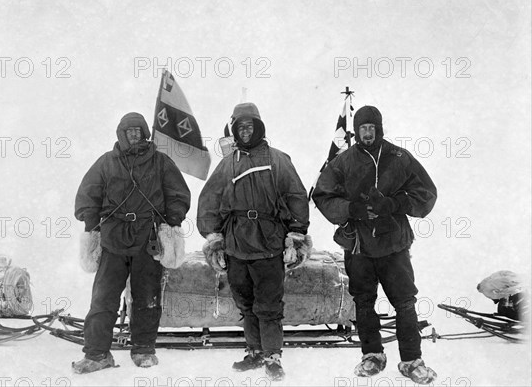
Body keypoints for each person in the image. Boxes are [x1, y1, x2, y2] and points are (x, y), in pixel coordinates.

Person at [312, 105, 438, 385]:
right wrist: (351, 209)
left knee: (405, 302)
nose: (367, 133)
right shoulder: (343, 161)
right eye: (362, 129)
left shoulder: (399, 157)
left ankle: (411, 360)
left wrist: (395, 203)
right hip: (358, 244)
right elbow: (322, 195)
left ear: (379, 129)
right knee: (363, 302)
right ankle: (372, 355)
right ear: (356, 132)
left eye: (372, 128)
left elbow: (426, 194)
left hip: (394, 244)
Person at [197, 102, 311, 382]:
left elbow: (296, 196)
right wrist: (214, 239)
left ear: (258, 127)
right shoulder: (228, 164)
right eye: (240, 127)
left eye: (250, 126)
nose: (245, 131)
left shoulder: (278, 159)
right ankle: (255, 351)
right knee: (245, 303)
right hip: (236, 244)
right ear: (234, 130)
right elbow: (209, 201)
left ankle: (272, 355)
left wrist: (296, 235)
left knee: (269, 304)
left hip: (269, 241)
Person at [72, 112, 191, 374]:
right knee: (103, 299)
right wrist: (91, 224)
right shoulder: (107, 162)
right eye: (129, 131)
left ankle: (143, 349)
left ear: (145, 132)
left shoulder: (160, 162)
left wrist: (172, 220)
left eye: (138, 130)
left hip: (147, 239)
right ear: (121, 133)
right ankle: (96, 354)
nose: (134, 134)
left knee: (147, 298)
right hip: (113, 239)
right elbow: (87, 195)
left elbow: (178, 194)